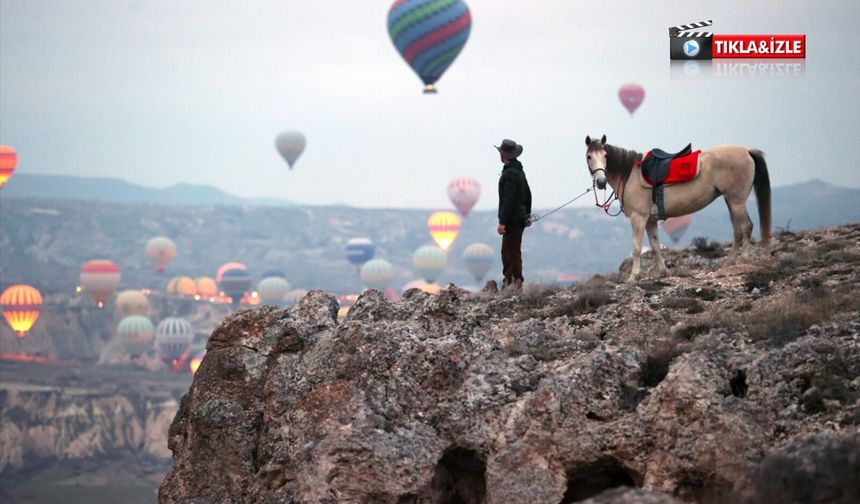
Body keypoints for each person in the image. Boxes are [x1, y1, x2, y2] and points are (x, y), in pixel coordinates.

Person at [495, 139, 532, 290]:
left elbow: (508, 201)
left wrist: (502, 222)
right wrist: (527, 214)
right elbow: (528, 195)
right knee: (514, 251)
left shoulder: (510, 174)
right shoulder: (519, 171)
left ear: (503, 156)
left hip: (512, 220)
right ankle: (515, 282)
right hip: (520, 218)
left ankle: (511, 283)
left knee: (508, 253)